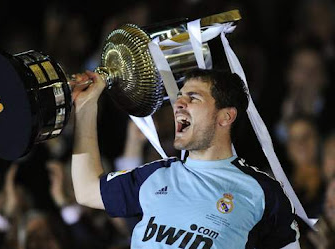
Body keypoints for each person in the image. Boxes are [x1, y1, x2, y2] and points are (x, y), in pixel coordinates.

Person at [70, 68, 301, 249]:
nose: (178, 104)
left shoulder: (262, 192)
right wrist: (86, 106)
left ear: (226, 117)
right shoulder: (155, 176)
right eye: (180, 97)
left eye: (194, 98)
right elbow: (86, 190)